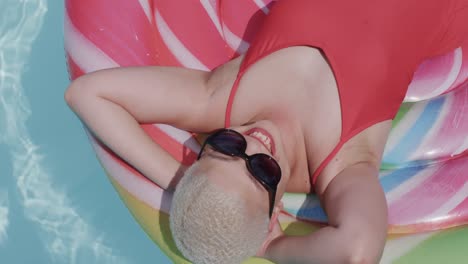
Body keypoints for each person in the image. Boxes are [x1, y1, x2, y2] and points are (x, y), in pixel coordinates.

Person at [65, 0, 468, 263]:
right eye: (262, 172)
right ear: (276, 210)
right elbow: (356, 252)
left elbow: (85, 94)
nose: (255, 142)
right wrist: (275, 248)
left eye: (227, 145)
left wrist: (180, 180)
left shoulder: (219, 99)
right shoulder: (342, 166)